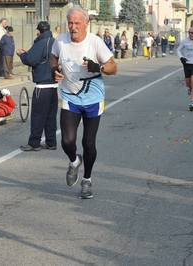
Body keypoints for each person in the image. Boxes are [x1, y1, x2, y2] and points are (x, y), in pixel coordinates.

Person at [51, 6, 117, 199]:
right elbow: (53, 57)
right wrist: (54, 69)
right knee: (66, 141)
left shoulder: (95, 42)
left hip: (93, 99)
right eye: (70, 23)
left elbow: (114, 67)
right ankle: (74, 161)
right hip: (70, 97)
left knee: (88, 142)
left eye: (77, 23)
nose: (73, 27)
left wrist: (100, 67)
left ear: (86, 23)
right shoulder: (60, 41)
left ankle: (87, 180)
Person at [17, 21, 58, 152]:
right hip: (53, 85)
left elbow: (31, 60)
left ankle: (34, 142)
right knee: (50, 116)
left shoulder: (41, 42)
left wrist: (22, 55)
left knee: (38, 116)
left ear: (39, 31)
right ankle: (51, 141)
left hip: (43, 85)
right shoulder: (54, 41)